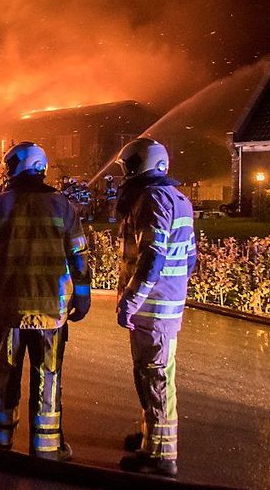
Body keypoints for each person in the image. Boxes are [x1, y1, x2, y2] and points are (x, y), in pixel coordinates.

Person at [0, 142, 91, 461]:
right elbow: (79, 257)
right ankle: (47, 449)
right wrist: (83, 296)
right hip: (51, 313)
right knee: (47, 376)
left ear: (15, 168)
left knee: (5, 372)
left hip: (7, 310)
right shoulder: (63, 207)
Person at [114, 137, 196, 478]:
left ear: (138, 165)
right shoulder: (177, 198)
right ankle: (151, 436)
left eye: (127, 167)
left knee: (157, 378)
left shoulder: (151, 199)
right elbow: (189, 259)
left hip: (152, 307)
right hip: (163, 304)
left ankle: (161, 456)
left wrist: (130, 301)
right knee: (151, 375)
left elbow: (152, 258)